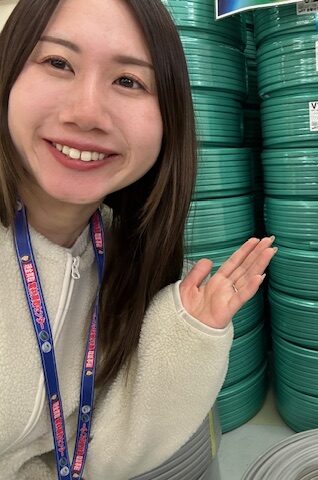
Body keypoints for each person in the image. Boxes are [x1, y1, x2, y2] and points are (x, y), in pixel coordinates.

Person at [0, 0, 276, 478]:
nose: (87, 113)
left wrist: (188, 336)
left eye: (129, 81)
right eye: (58, 62)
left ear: (170, 118)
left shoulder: (120, 255)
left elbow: (82, 452)